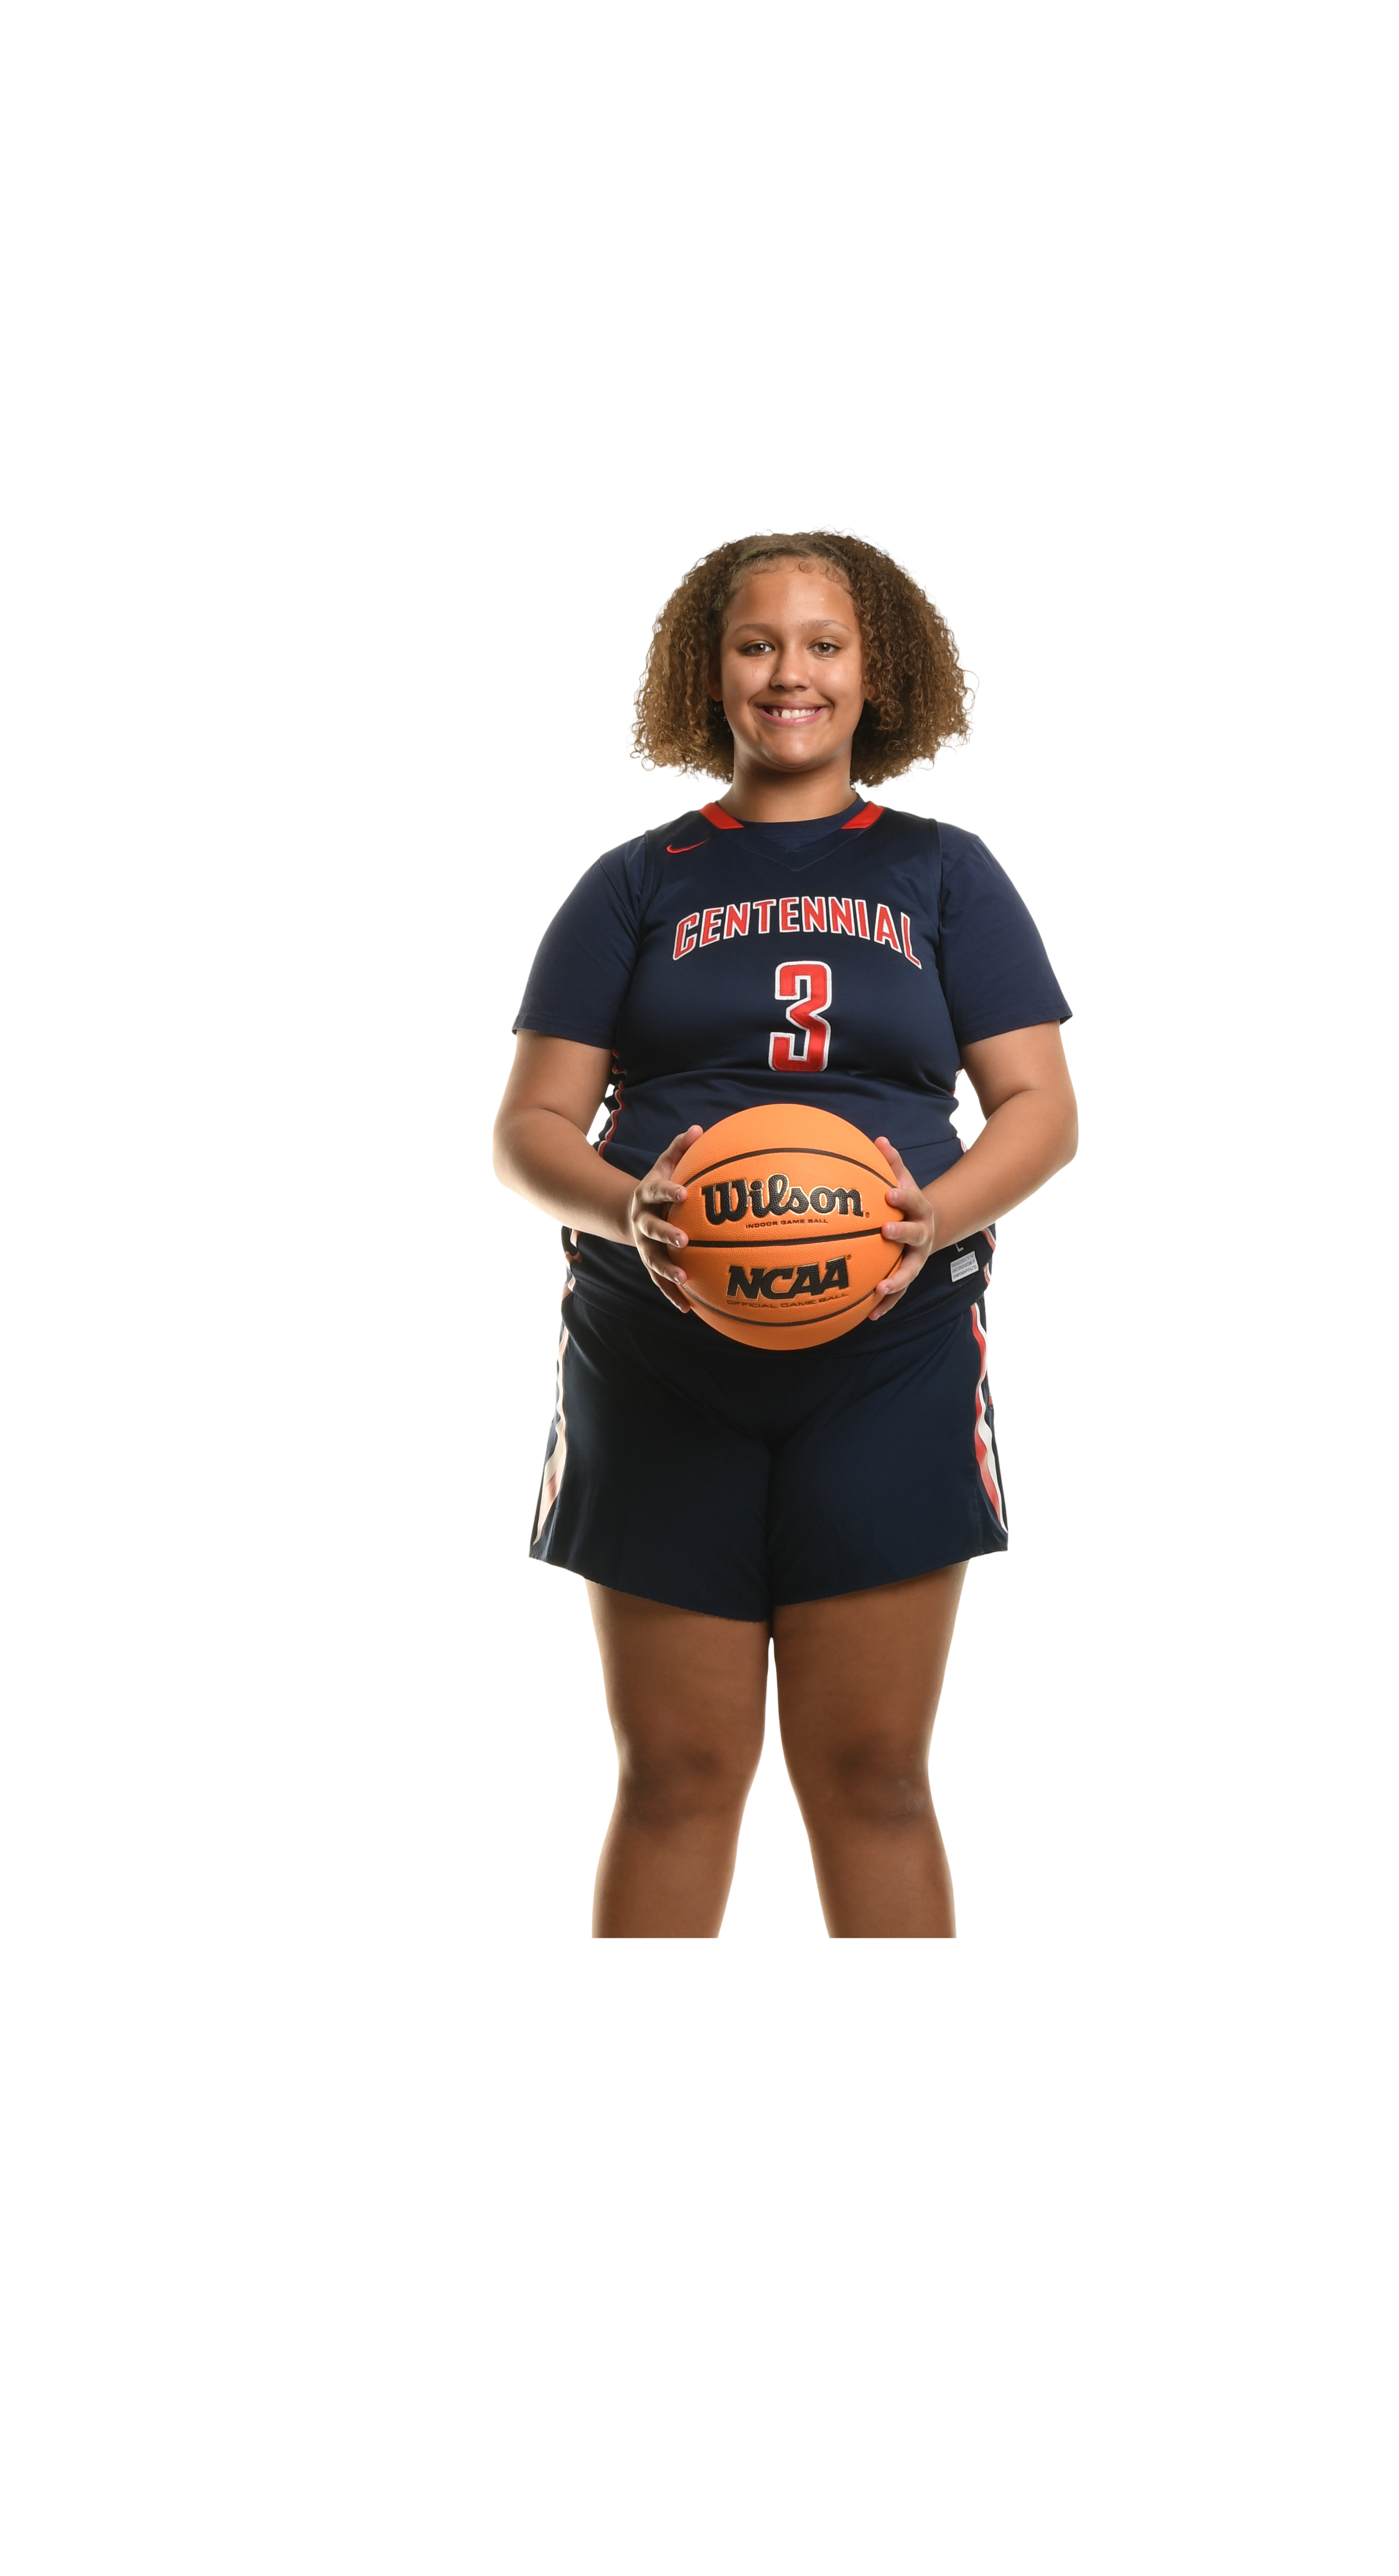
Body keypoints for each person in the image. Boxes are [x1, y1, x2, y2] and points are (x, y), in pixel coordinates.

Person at [491, 522, 1079, 2299]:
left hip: (887, 1355)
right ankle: (616, 2149)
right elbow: (529, 1131)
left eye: (824, 643)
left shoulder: (948, 873)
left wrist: (925, 1222)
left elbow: (1041, 1111)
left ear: (875, 670)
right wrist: (635, 1209)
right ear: (712, 671)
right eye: (757, 645)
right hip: (658, 1354)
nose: (791, 674)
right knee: (677, 1769)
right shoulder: (636, 881)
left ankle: (939, 2143)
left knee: (873, 1769)